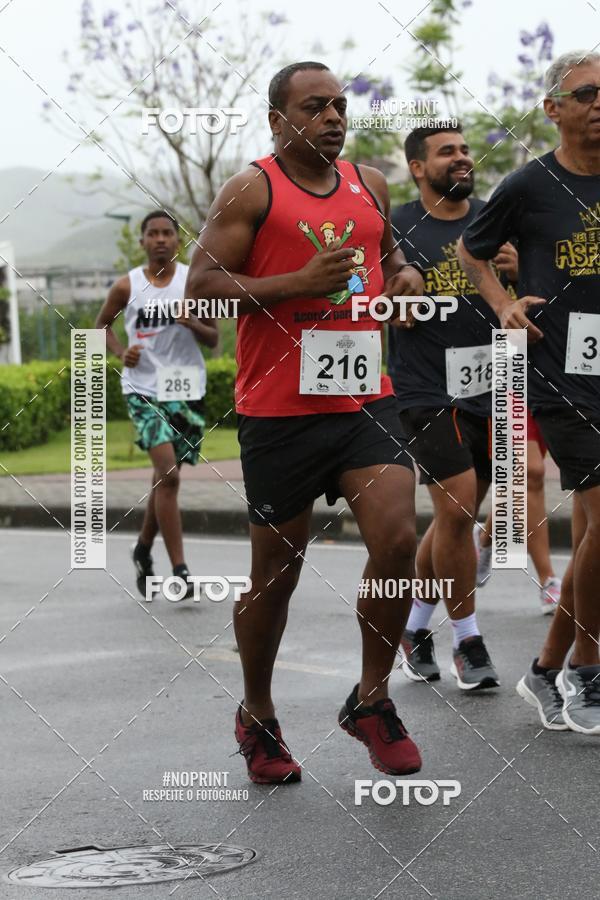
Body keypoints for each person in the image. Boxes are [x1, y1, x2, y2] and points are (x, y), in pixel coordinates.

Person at [186, 61, 426, 784]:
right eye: (315, 106)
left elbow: (390, 252)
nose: (332, 117)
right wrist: (297, 282)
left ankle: (372, 700)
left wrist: (407, 274)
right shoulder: (251, 188)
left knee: (397, 538)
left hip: (362, 400)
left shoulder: (370, 182)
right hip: (279, 409)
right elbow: (202, 287)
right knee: (276, 575)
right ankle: (257, 713)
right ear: (277, 119)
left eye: (340, 106)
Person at [458, 50, 600, 734]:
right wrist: (503, 304)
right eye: (587, 92)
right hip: (561, 378)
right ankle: (586, 670)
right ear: (554, 108)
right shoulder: (528, 185)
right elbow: (471, 248)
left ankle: (548, 668)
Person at [389, 124, 513, 690]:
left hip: (487, 386)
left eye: (465, 150)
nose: (462, 158)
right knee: (460, 509)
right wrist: (397, 283)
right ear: (418, 167)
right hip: (423, 389)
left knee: (451, 520)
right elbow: (366, 295)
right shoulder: (397, 227)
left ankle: (414, 629)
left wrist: (515, 273)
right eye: (448, 152)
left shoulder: (493, 219)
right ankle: (468, 640)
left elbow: (530, 291)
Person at [96, 210, 217, 599]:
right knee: (170, 475)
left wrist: (192, 323)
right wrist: (121, 351)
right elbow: (100, 328)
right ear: (143, 241)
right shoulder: (126, 286)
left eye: (168, 233)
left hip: (184, 387)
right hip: (143, 388)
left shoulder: (193, 282)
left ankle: (142, 548)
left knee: (164, 478)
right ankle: (180, 570)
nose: (161, 239)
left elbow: (213, 339)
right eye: (154, 234)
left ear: (178, 241)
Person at [473, 410, 562, 615]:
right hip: (512, 384)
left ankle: (484, 537)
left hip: (556, 388)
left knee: (521, 476)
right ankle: (548, 580)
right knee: (531, 470)